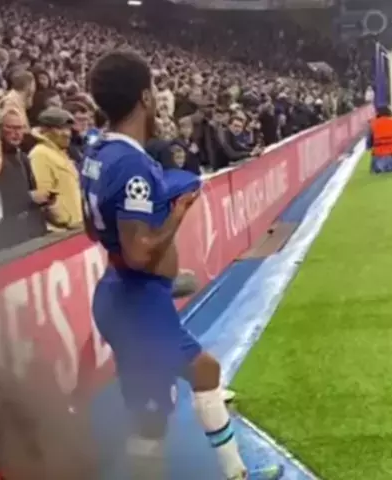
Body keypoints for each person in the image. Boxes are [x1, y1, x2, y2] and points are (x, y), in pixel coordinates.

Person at [82, 50, 283, 480]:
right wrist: (177, 212)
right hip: (137, 303)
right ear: (145, 97)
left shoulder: (96, 151)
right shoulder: (132, 164)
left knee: (150, 416)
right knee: (204, 372)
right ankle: (236, 473)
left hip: (121, 293)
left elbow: (91, 229)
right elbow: (139, 253)